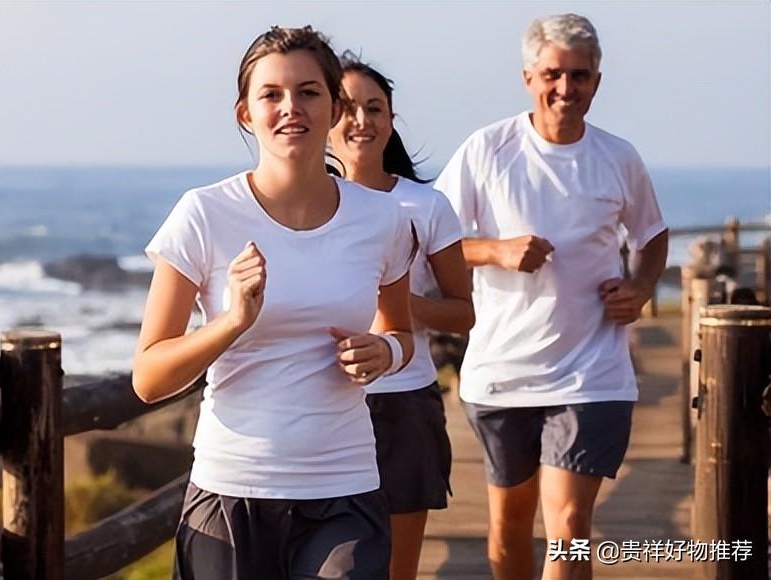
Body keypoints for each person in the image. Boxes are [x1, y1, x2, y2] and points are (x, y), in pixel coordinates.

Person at [133, 26, 417, 580]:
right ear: (246, 113)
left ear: (335, 107)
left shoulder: (382, 220)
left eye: (309, 92)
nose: (292, 108)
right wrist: (233, 321)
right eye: (272, 94)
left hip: (345, 488)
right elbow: (148, 377)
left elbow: (402, 333)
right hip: (231, 489)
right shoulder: (203, 214)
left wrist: (386, 351)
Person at [434, 14, 669, 580]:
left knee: (568, 529)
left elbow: (653, 236)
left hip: (592, 372)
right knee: (510, 526)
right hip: (502, 369)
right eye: (553, 75)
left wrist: (638, 287)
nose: (566, 89)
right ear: (528, 77)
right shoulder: (488, 150)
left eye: (580, 76)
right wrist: (496, 250)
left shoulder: (618, 158)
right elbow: (433, 239)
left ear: (597, 80)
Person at [327, 53, 473, 580]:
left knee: (395, 571)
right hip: (321, 409)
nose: (361, 120)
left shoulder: (426, 207)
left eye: (375, 108)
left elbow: (463, 313)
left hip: (403, 408)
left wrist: (396, 303)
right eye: (346, 107)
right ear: (321, 117)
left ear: (391, 121)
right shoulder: (299, 206)